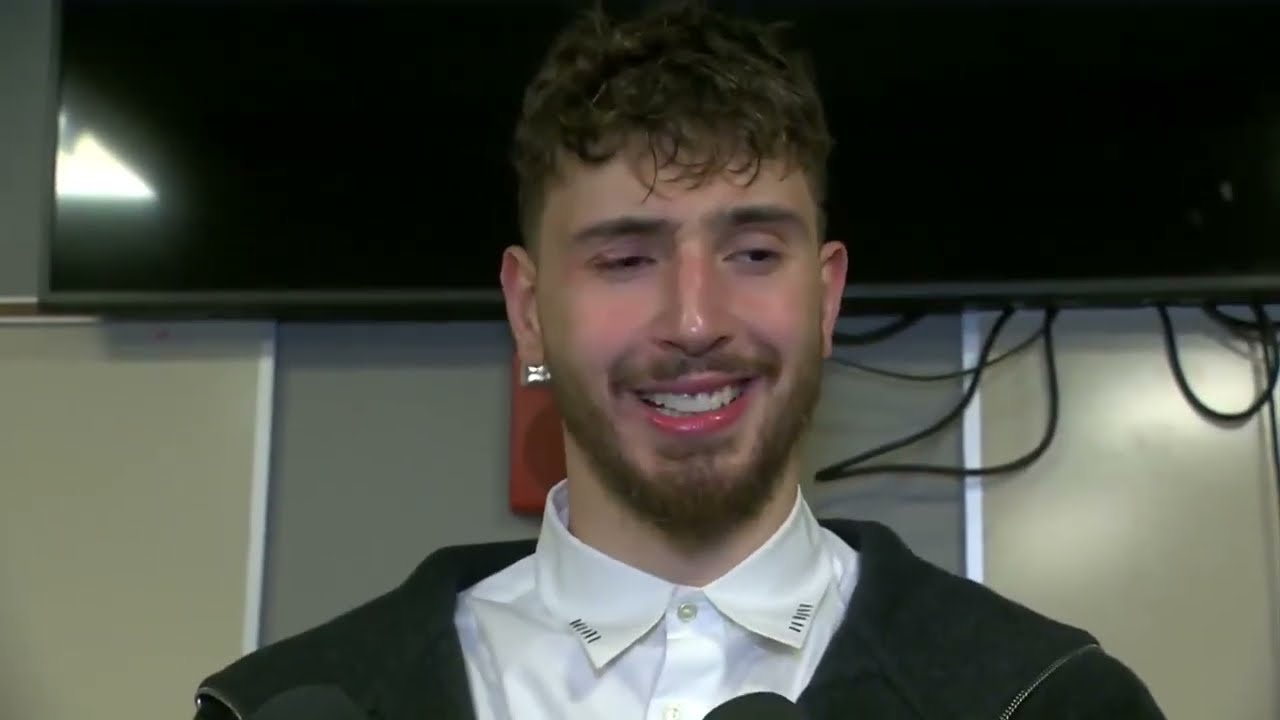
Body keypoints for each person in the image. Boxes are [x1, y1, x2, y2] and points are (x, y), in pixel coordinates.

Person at [192, 2, 1166, 719]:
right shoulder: (282, 706)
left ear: (826, 296)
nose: (695, 321)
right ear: (528, 310)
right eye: (625, 259)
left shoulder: (1046, 703)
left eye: (753, 253)